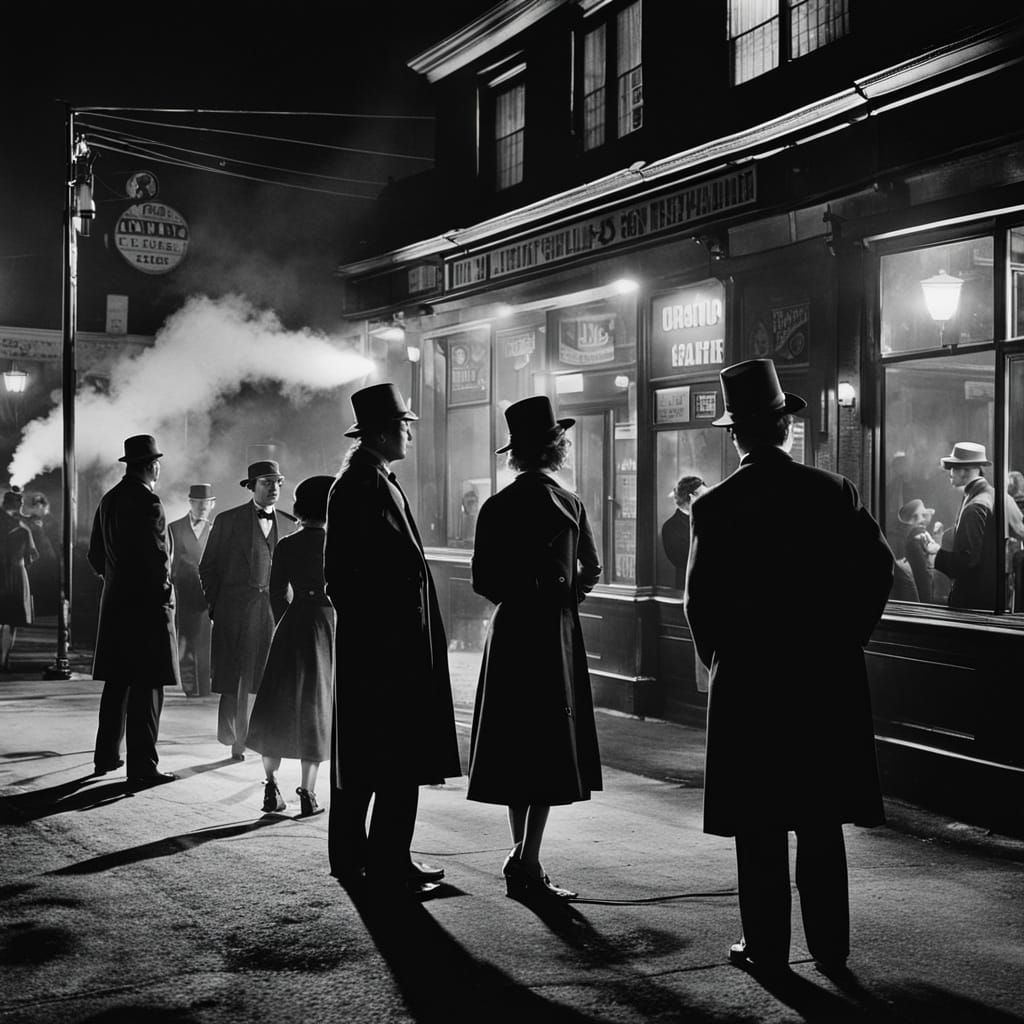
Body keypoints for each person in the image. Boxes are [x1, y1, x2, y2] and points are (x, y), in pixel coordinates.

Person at [684, 359, 893, 974]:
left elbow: (699, 603)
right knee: (819, 819)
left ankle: (767, 948)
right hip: (824, 681)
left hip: (749, 685)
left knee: (760, 824)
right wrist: (846, 639)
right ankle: (830, 947)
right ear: (785, 427)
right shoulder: (833, 490)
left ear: (735, 434)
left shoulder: (713, 506)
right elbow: (877, 570)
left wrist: (723, 661)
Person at [325, 382, 461, 899]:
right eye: (404, 425)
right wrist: (388, 636)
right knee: (396, 760)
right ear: (383, 433)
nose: (410, 433)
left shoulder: (369, 479)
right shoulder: (363, 485)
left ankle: (360, 857)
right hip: (387, 648)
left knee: (368, 759)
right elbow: (344, 577)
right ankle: (386, 865)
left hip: (379, 645)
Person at [467, 395, 602, 901]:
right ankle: (526, 859)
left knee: (515, 743)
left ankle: (524, 858)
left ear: (516, 454)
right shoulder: (570, 503)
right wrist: (564, 598)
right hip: (553, 633)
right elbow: (592, 568)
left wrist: (520, 596)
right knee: (547, 744)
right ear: (555, 449)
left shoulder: (496, 506)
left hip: (510, 632)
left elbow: (483, 579)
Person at [88, 435, 179, 785]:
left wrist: (117, 580)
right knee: (148, 688)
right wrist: (165, 596)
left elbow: (95, 555)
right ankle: (142, 767)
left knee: (117, 684)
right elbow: (158, 560)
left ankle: (106, 756)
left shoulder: (109, 500)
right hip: (146, 609)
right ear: (152, 466)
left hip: (116, 606)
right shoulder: (149, 502)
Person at [247, 475, 336, 819]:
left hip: (292, 622)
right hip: (326, 624)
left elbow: (275, 592)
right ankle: (308, 793)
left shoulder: (286, 544)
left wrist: (288, 618)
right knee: (316, 707)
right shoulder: (336, 543)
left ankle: (271, 787)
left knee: (277, 707)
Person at [199, 459, 296, 761]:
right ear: (252, 487)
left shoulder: (289, 524)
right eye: (267, 483)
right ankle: (235, 739)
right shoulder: (228, 521)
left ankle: (263, 740)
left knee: (268, 678)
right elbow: (208, 568)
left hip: (273, 613)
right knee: (237, 679)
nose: (274, 488)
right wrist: (217, 607)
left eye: (277, 482)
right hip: (235, 612)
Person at [922, 442, 998, 611]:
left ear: (964, 470)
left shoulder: (975, 506)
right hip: (985, 598)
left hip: (972, 603)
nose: (950, 473)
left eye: (952, 468)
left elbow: (965, 563)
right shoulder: (989, 494)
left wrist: (936, 553)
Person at [662, 475, 711, 691]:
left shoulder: (708, 518)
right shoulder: (671, 527)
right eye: (704, 494)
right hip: (689, 590)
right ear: (692, 497)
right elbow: (681, 558)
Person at [168, 483, 216, 697]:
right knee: (185, 641)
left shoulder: (215, 530)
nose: (202, 507)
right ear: (191, 503)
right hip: (183, 593)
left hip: (207, 594)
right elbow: (167, 562)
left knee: (205, 641)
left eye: (206, 504)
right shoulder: (174, 528)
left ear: (212, 505)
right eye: (198, 503)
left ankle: (204, 688)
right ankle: (189, 687)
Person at [0, 487, 38, 670]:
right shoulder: (23, 530)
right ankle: (4, 658)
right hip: (16, 572)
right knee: (11, 619)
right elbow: (32, 555)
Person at [24, 493, 59, 617]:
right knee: (38, 583)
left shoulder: (50, 521)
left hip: (47, 556)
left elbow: (54, 538)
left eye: (39, 505)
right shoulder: (31, 520)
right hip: (38, 557)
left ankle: (47, 609)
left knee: (46, 583)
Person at [897, 498, 936, 604]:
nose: (922, 520)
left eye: (924, 515)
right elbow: (924, 577)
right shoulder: (916, 540)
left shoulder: (919, 537)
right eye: (915, 517)